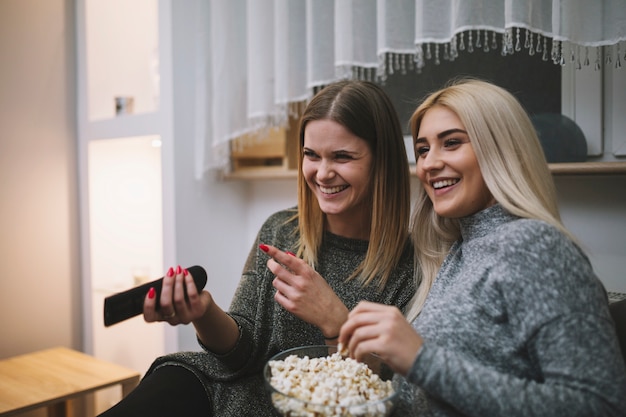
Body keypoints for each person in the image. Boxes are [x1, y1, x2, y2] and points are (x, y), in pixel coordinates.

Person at [98, 79, 416, 417]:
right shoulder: (281, 229)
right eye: (311, 155)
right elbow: (242, 353)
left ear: (381, 160)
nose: (322, 173)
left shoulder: (412, 265)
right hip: (223, 392)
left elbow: (386, 393)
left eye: (342, 157)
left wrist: (336, 321)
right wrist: (203, 312)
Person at [338, 78, 626, 417]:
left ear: (500, 148)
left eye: (452, 142)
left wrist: (421, 358)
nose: (429, 163)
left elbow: (600, 406)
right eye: (423, 149)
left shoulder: (537, 247)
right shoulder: (459, 252)